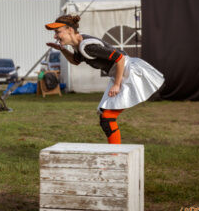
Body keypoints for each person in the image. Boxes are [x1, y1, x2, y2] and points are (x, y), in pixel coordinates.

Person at [45, 15, 164, 144]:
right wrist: (61, 49)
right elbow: (75, 61)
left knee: (107, 118)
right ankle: (114, 154)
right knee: (106, 118)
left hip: (128, 72)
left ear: (70, 30)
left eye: (57, 32)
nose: (55, 36)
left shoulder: (87, 46)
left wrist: (117, 85)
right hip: (121, 72)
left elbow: (119, 58)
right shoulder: (79, 44)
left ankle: (115, 155)